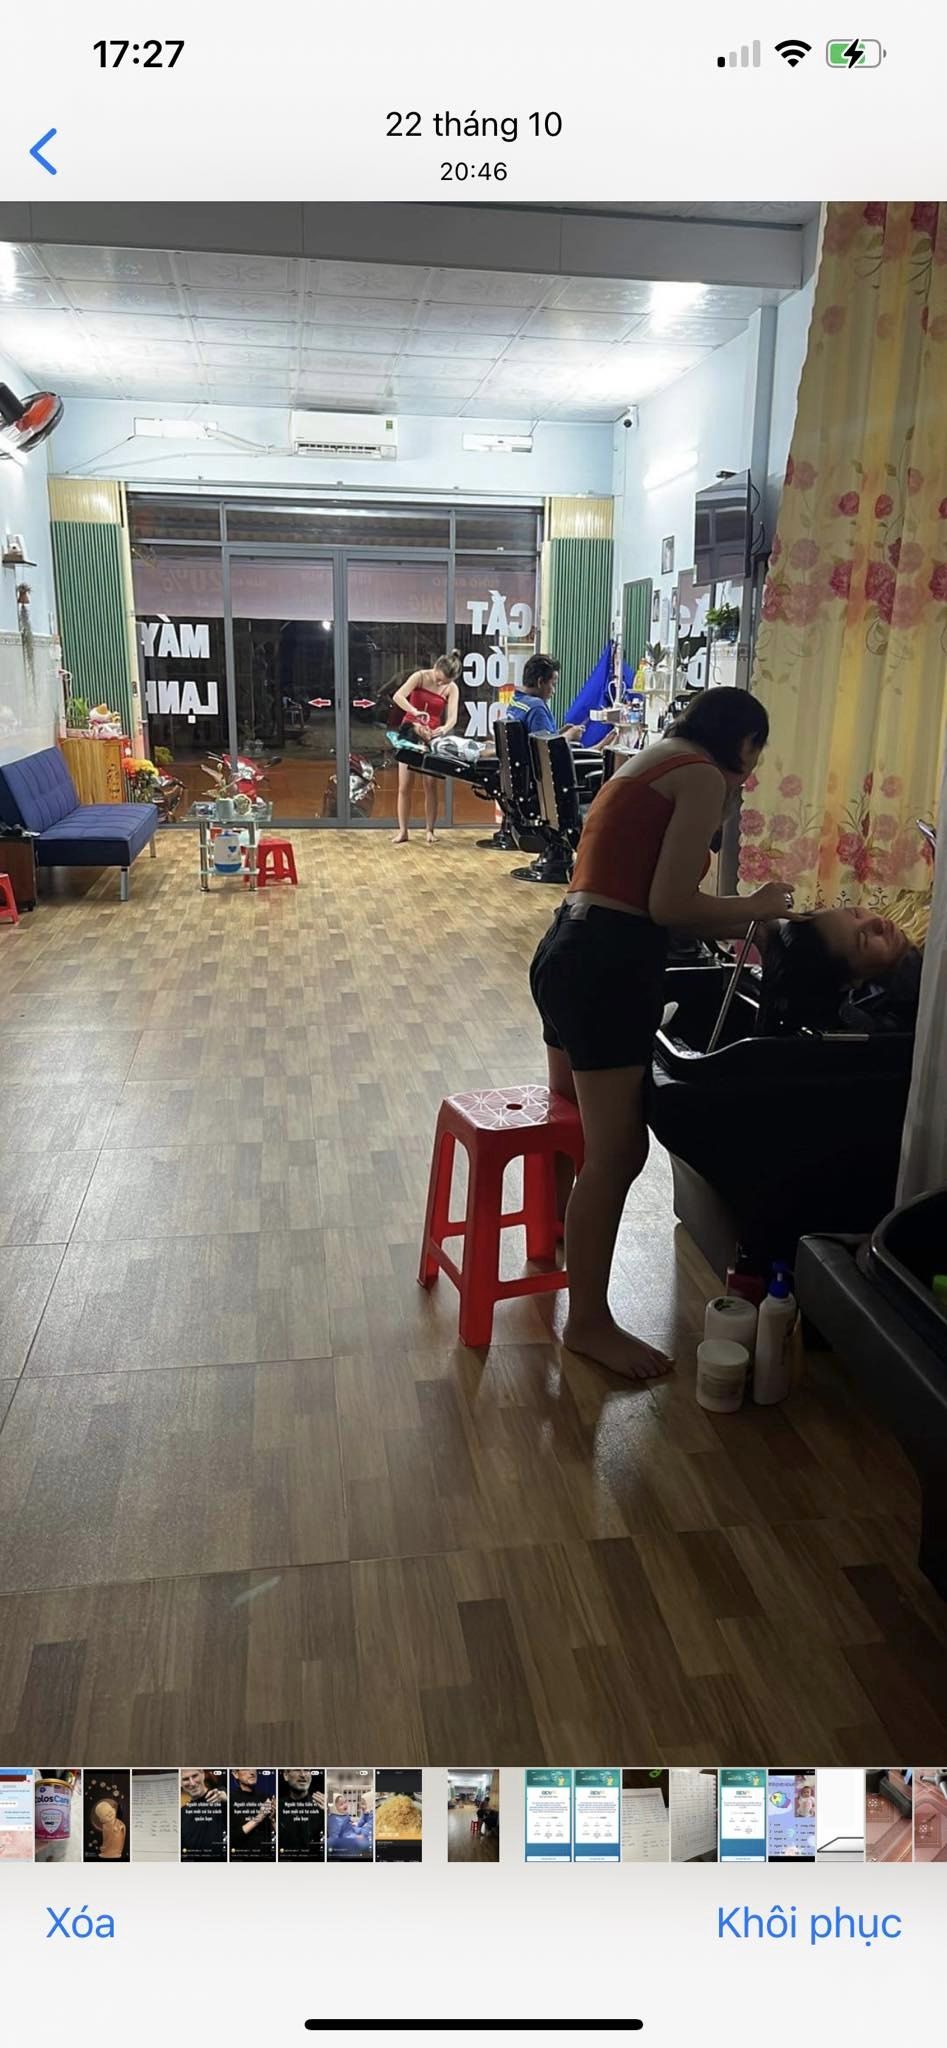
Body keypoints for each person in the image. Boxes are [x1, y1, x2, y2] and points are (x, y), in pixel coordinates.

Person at [529, 688, 794, 1382]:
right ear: (744, 742)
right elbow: (669, 904)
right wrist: (758, 906)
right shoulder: (702, 775)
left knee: (573, 1121)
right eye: (756, 754)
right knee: (618, 1153)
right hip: (608, 963)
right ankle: (587, 1321)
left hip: (566, 946)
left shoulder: (653, 759)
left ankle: (555, 1244)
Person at [759, 908, 922, 1036]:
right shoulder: (920, 994)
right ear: (853, 981)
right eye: (863, 940)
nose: (877, 922)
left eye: (856, 913)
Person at [390, 651, 461, 843]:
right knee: (405, 785)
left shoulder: (452, 688)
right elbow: (398, 696)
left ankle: (430, 830)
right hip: (411, 731)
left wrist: (443, 729)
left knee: (430, 784)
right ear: (435, 668)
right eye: (438, 679)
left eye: (444, 682)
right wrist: (415, 711)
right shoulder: (419, 676)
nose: (440, 683)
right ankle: (403, 831)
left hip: (431, 735)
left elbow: (453, 717)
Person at [503, 652, 598, 744]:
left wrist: (559, 733)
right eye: (553, 684)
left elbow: (537, 739)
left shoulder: (516, 701)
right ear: (540, 682)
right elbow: (546, 748)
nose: (554, 691)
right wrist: (570, 735)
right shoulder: (536, 708)